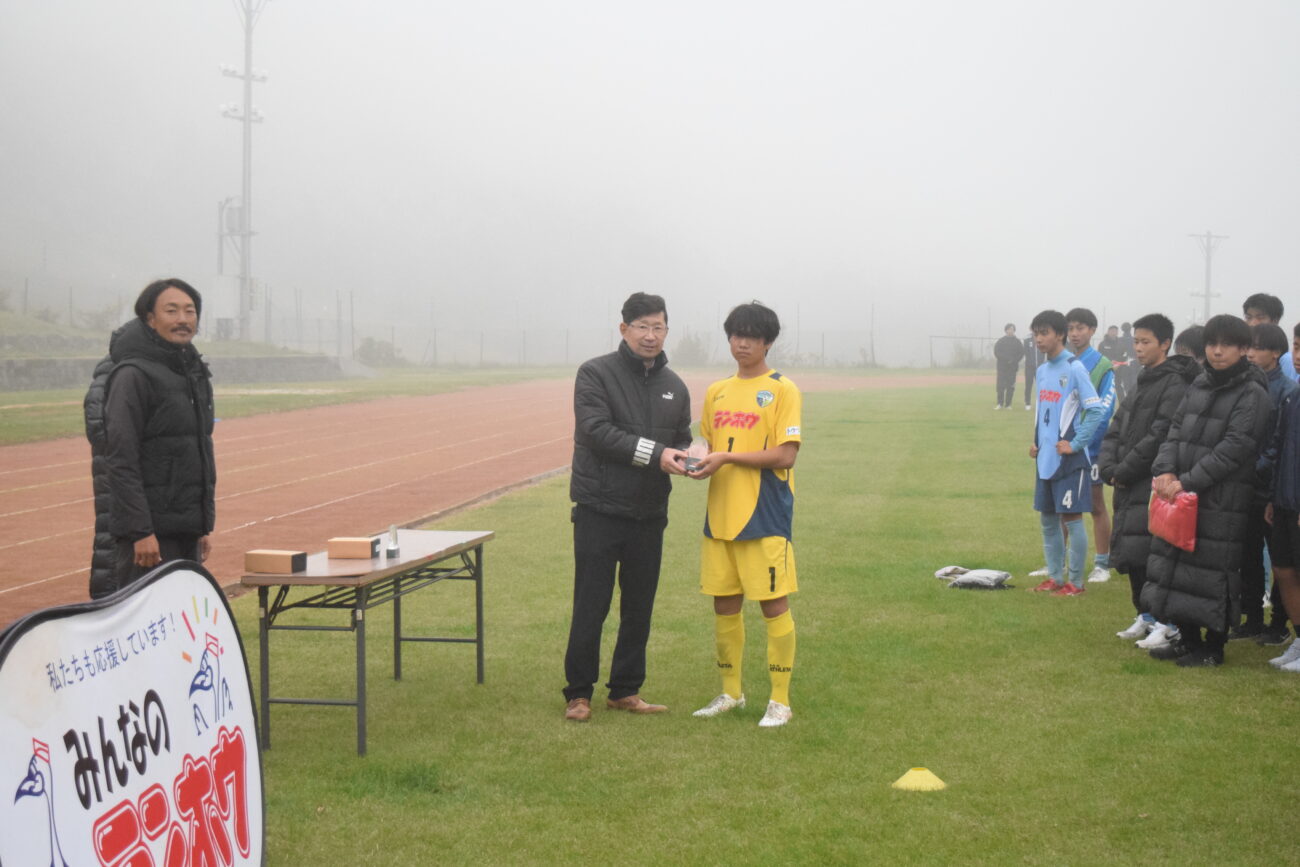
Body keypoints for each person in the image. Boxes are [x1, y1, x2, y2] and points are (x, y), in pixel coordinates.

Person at [562, 292, 692, 722]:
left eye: (658, 327)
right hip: (600, 509)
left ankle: (625, 690)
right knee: (591, 604)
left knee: (639, 605)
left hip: (649, 513)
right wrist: (658, 454)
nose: (650, 336)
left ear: (667, 331)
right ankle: (578, 693)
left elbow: (682, 438)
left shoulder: (674, 386)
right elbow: (597, 432)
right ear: (624, 329)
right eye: (642, 327)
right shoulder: (595, 373)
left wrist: (691, 455)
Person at [687, 302, 802, 728]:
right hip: (720, 516)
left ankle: (780, 701)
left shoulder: (782, 389)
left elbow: (785, 455)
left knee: (772, 605)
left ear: (768, 342)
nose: (742, 343)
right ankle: (730, 693)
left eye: (752, 337)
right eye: (736, 335)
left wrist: (727, 459)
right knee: (724, 605)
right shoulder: (717, 390)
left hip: (764, 515)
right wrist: (697, 458)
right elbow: (708, 441)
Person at [1144, 314, 1272, 667]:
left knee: (1215, 573)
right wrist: (1166, 471)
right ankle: (1187, 639)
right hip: (1182, 493)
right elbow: (1175, 430)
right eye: (1212, 344)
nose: (1217, 351)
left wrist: (1188, 480)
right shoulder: (1199, 384)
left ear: (1243, 349)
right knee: (1177, 567)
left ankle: (1213, 648)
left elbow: (1236, 447)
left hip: (1222, 500)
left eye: (1227, 345)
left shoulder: (1252, 393)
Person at [99, 279, 216, 595]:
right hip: (149, 538)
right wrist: (140, 532)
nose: (183, 319)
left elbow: (196, 451)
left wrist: (200, 526)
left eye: (190, 311)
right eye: (172, 310)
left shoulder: (192, 373)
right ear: (150, 319)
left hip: (184, 530)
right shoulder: (132, 375)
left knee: (183, 628)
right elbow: (121, 459)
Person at [1097, 313, 1198, 644]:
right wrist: (1110, 465)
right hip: (1126, 480)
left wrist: (1125, 470)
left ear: (1165, 344)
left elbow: (1161, 433)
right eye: (1136, 341)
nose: (1138, 348)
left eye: (1145, 342)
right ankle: (1144, 614)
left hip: (1151, 480)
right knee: (1131, 549)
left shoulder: (1175, 382)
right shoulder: (1143, 378)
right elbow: (1117, 424)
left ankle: (1163, 621)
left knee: (1152, 552)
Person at [1028, 310, 1102, 596]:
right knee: (1048, 519)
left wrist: (1076, 443)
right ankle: (1056, 578)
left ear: (1059, 334)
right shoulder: (1042, 371)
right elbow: (1044, 412)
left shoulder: (1074, 368)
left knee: (1072, 519)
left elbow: (1094, 409)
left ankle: (1076, 583)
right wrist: (1036, 442)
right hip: (1045, 459)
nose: (1038, 339)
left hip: (1069, 462)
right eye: (1035, 333)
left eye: (1044, 333)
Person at [1235, 323, 1298, 641]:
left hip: (1271, 485)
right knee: (1247, 554)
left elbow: (1277, 444)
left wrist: (1257, 467)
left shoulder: (1287, 390)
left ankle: (1279, 624)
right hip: (1252, 486)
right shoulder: (1247, 385)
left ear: (1276, 352)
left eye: (1257, 347)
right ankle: (1253, 618)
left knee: (1280, 560)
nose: (1251, 353)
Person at [1065, 308, 1117, 583]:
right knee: (1062, 505)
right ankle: (1058, 562)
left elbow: (1105, 409)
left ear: (1093, 330)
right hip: (1063, 449)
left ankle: (1102, 564)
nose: (1075, 333)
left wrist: (1081, 441)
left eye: (1081, 328)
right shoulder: (1061, 362)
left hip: (1090, 449)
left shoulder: (1102, 365)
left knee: (1096, 505)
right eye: (1071, 328)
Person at [1260, 321, 1300, 670]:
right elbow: (1277, 448)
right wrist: (1273, 497)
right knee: (1284, 570)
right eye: (1298, 348)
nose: (1299, 357)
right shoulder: (1293, 396)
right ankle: (1299, 639)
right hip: (1285, 501)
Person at [1243, 293, 1299, 383]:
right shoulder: (1238, 350)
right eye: (1248, 317)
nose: (1253, 323)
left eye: (1260, 318)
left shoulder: (1287, 360)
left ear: (1275, 320)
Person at [993, 323, 1025, 410]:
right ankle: (999, 403)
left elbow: (1021, 353)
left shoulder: (1017, 342)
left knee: (1010, 386)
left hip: (1012, 368)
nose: (1010, 330)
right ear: (1006, 330)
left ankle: (1008, 404)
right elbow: (996, 352)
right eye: (1009, 329)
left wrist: (1014, 360)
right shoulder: (1001, 341)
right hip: (1002, 367)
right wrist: (1005, 359)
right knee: (1000, 386)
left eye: (1012, 329)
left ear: (1014, 330)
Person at [1022, 326, 1045, 411]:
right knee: (1028, 385)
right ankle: (1027, 403)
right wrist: (1029, 362)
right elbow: (1025, 352)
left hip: (1040, 367)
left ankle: (1040, 403)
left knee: (1041, 385)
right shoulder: (1027, 339)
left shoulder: (1043, 339)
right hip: (1029, 367)